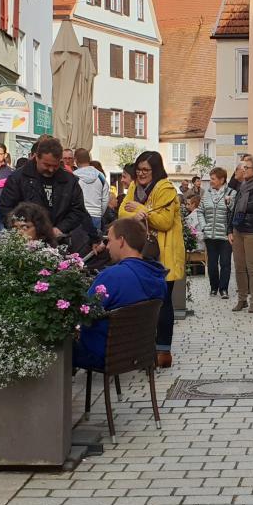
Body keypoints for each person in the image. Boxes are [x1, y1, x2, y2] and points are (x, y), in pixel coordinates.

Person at [73, 217, 169, 371]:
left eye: (109, 240)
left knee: (53, 341)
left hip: (102, 355)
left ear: (122, 241)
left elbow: (84, 312)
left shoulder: (112, 276)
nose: (107, 246)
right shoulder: (157, 276)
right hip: (139, 353)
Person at [119, 151, 183, 368]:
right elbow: (121, 212)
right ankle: (145, 349)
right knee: (143, 302)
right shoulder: (134, 187)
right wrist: (137, 214)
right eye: (138, 170)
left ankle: (163, 351)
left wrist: (139, 209)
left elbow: (164, 221)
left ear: (156, 170)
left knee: (163, 301)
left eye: (146, 170)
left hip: (163, 253)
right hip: (141, 253)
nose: (141, 174)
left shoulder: (165, 188)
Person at [0, 137, 98, 249]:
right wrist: (22, 230)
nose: (51, 170)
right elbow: (6, 208)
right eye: (46, 165)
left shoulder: (69, 180)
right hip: (26, 242)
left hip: (60, 241)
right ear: (36, 158)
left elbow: (78, 210)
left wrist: (60, 228)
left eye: (55, 166)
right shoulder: (18, 178)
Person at [228, 156, 253, 313]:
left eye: (247, 167)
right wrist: (229, 230)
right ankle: (241, 299)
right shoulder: (242, 185)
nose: (244, 170)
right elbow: (234, 208)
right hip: (238, 229)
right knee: (238, 267)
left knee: (252, 267)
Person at [200, 167, 236, 299]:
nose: (211, 181)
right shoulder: (207, 193)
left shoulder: (232, 192)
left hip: (226, 235)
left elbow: (233, 212)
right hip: (210, 235)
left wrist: (229, 202)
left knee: (225, 263)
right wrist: (204, 226)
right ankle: (214, 287)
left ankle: (224, 289)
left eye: (213, 179)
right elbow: (200, 211)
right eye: (211, 179)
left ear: (222, 179)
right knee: (212, 264)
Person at [73, 148, 110, 230]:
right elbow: (105, 199)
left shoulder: (73, 177)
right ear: (89, 159)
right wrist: (99, 213)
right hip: (96, 215)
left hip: (79, 217)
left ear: (75, 160)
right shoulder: (100, 176)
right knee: (95, 242)